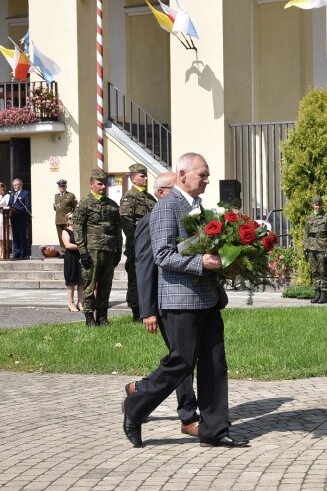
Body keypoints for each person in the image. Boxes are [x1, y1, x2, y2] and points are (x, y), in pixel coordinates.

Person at [121, 152, 248, 449]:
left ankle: (214, 431)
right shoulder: (166, 208)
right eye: (201, 175)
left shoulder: (201, 209)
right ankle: (136, 408)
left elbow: (206, 246)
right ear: (182, 175)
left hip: (207, 299)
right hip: (180, 301)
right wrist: (201, 262)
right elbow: (162, 255)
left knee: (215, 365)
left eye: (206, 175)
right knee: (180, 363)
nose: (206, 180)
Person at [134, 172, 200, 437]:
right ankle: (187, 416)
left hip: (185, 298)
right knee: (181, 360)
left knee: (182, 359)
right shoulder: (152, 220)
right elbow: (145, 266)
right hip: (164, 303)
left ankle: (141, 388)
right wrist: (147, 310)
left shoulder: (185, 217)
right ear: (161, 193)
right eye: (175, 188)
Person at [73, 169, 122, 327]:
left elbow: (117, 230)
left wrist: (118, 250)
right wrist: (83, 251)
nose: (102, 187)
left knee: (106, 285)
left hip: (108, 250)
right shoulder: (84, 204)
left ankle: (102, 316)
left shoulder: (112, 205)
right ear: (91, 184)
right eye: (99, 184)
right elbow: (78, 228)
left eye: (104, 184)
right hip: (92, 250)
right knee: (90, 284)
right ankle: (89, 317)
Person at [119, 164, 157, 321]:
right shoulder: (129, 198)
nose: (145, 178)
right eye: (142, 176)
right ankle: (136, 311)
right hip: (137, 246)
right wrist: (138, 244)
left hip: (152, 245)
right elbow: (127, 225)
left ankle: (149, 307)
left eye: (146, 175)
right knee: (136, 278)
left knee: (150, 277)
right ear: (133, 178)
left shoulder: (150, 198)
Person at [303, 195, 327, 304]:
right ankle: (317, 293)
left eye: (319, 205)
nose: (318, 207)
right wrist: (305, 248)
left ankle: (324, 294)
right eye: (316, 205)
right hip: (311, 247)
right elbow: (305, 234)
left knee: (323, 271)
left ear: (322, 205)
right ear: (312, 205)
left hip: (322, 247)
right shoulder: (309, 218)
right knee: (314, 271)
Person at [61, 212, 84, 312]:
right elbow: (67, 245)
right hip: (71, 257)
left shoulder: (80, 230)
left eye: (74, 217)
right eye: (70, 218)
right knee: (71, 282)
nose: (72, 220)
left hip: (80, 256)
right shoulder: (65, 231)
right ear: (67, 221)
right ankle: (71, 303)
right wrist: (81, 247)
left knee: (81, 281)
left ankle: (80, 302)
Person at [53, 179, 77, 255]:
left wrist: (72, 216)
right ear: (58, 187)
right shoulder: (56, 196)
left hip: (68, 220)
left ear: (66, 186)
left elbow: (76, 207)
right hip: (58, 219)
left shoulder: (71, 195)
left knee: (69, 235)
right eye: (60, 186)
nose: (62, 187)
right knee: (60, 236)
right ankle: (63, 252)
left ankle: (69, 250)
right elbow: (55, 207)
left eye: (63, 186)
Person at [9, 178, 31, 259]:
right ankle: (17, 253)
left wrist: (17, 210)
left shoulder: (26, 193)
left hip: (21, 218)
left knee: (22, 236)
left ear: (21, 185)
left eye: (16, 185)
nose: (14, 187)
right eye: (13, 185)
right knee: (15, 237)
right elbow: (10, 204)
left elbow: (27, 206)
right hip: (13, 218)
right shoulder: (12, 194)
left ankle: (24, 253)